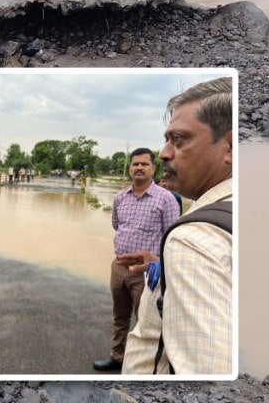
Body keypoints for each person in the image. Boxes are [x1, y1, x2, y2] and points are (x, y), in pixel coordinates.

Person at [120, 77, 233, 375]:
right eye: (167, 139)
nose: (165, 152)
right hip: (142, 268)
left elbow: (209, 378)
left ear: (231, 146)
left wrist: (179, 258)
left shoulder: (191, 239)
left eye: (179, 140)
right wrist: (166, 263)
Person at [92, 147, 179, 372]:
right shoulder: (120, 197)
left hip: (147, 272)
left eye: (144, 164)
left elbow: (172, 237)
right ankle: (118, 356)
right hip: (119, 266)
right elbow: (116, 225)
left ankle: (142, 367)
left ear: (153, 168)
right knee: (120, 316)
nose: (139, 167)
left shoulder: (166, 199)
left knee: (147, 322)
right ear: (130, 168)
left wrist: (158, 263)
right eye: (135, 164)